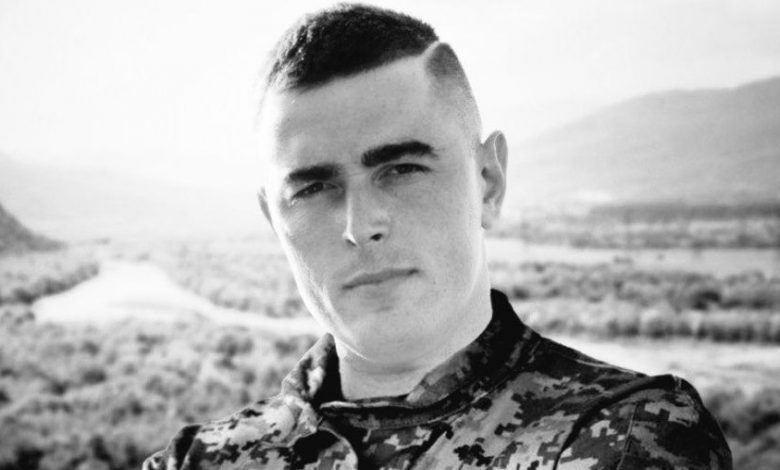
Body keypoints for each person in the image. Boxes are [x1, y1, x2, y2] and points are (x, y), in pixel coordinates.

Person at [144, 4, 732, 469]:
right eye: (315, 187)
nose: (360, 227)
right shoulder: (197, 460)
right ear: (275, 222)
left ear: (488, 182)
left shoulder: (626, 437)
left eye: (401, 169)